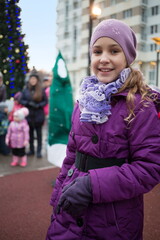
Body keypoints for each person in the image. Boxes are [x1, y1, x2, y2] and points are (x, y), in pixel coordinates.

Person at [45, 19, 160, 240]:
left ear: (127, 57)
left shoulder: (140, 106)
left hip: (113, 219)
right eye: (97, 51)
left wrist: (92, 185)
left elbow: (149, 167)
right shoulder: (84, 102)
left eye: (114, 50)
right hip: (70, 211)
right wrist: (57, 198)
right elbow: (70, 157)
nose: (104, 59)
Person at [19, 73, 48, 158]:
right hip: (29, 115)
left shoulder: (41, 90)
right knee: (30, 134)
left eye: (34, 79)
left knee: (39, 134)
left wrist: (38, 105)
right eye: (31, 79)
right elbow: (21, 100)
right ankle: (31, 150)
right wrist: (28, 103)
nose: (33, 81)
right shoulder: (25, 90)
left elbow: (45, 101)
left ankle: (39, 151)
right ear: (29, 80)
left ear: (37, 80)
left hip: (38, 114)